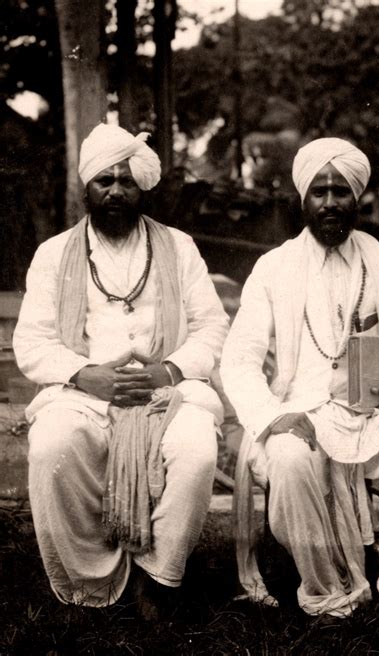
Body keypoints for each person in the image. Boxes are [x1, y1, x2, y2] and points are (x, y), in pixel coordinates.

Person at [220, 137, 379, 636]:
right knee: (286, 457)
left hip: (368, 412)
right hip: (295, 413)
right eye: (319, 192)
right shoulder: (274, 267)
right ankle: (327, 595)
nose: (330, 203)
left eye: (341, 191)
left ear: (357, 197)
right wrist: (272, 416)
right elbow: (238, 359)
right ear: (302, 198)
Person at [13, 123, 229, 616]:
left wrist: (168, 371)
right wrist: (86, 374)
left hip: (168, 393)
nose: (115, 191)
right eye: (104, 181)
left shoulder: (179, 246)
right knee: (52, 447)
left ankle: (158, 577)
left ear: (141, 188)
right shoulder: (53, 254)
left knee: (195, 452)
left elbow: (212, 328)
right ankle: (89, 583)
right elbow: (31, 341)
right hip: (84, 393)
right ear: (86, 188)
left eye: (126, 181)